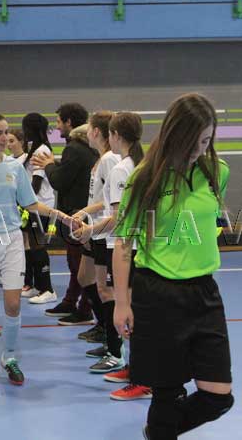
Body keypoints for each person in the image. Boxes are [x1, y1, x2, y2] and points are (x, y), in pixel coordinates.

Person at [113, 94, 234, 438]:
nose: (198, 149)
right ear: (173, 134)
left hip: (204, 293)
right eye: (192, 141)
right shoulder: (145, 178)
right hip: (158, 294)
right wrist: (121, 302)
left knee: (218, 396)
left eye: (206, 141)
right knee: (167, 393)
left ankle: (158, 431)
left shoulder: (217, 172)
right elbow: (123, 244)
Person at [0, 112, 71, 384]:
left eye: (6, 132)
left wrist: (60, 215)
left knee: (12, 302)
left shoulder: (15, 167)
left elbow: (30, 203)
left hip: (11, 239)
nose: (5, 137)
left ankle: (9, 357)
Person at [32, 103, 97, 326]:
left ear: (69, 122)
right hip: (83, 212)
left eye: (59, 121)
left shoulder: (74, 149)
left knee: (80, 265)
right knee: (76, 263)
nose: (57, 126)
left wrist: (49, 166)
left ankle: (85, 309)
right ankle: (71, 301)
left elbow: (59, 181)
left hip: (77, 214)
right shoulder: (86, 148)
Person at [70, 112, 119, 356]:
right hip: (95, 227)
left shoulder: (110, 159)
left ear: (96, 132)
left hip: (103, 229)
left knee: (105, 289)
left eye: (89, 128)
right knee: (84, 277)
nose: (87, 132)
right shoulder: (101, 158)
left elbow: (109, 201)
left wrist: (86, 214)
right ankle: (104, 326)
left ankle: (112, 338)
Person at [18, 113, 57, 305]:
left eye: (25, 128)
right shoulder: (34, 149)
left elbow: (36, 183)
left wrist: (20, 198)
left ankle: (48, 289)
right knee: (31, 245)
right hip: (31, 206)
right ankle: (35, 286)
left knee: (38, 246)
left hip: (41, 205)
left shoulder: (42, 150)